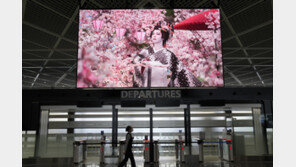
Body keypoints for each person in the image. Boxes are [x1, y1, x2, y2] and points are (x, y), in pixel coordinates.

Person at [133, 22, 202, 87]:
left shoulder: (168, 55)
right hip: (146, 84)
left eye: (158, 34)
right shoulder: (145, 51)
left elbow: (179, 70)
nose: (154, 36)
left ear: (163, 37)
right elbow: (136, 63)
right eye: (153, 34)